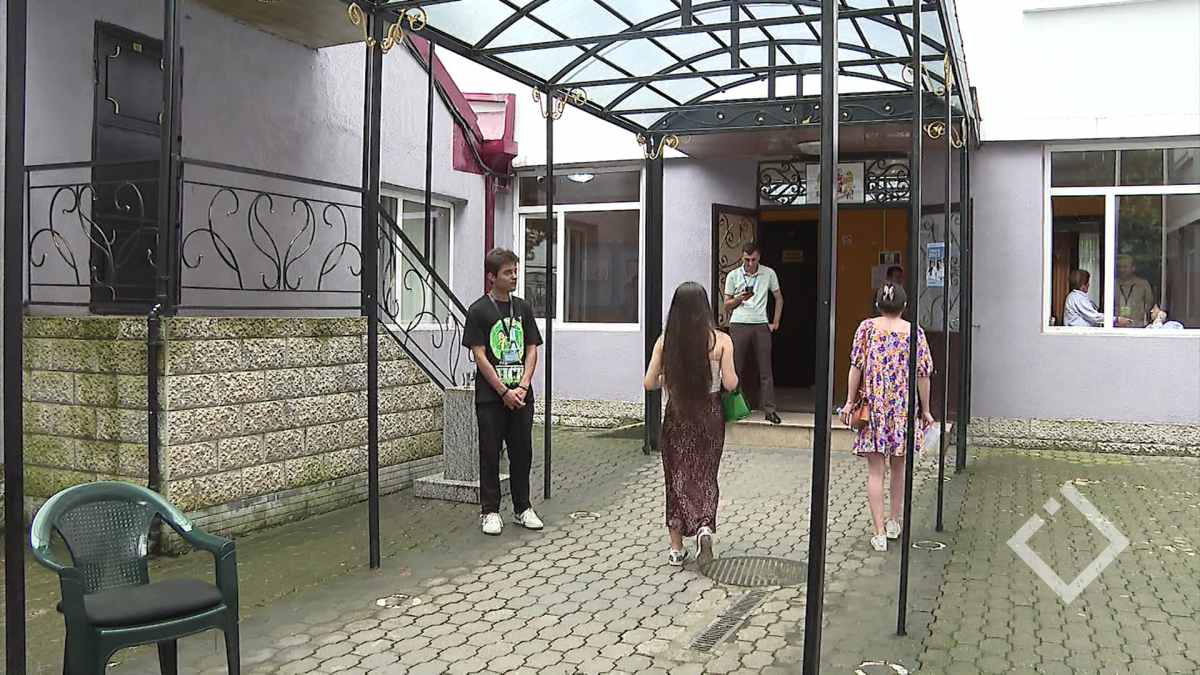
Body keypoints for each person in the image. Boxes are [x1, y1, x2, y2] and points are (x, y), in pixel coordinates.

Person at [644, 282, 739, 568]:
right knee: (706, 475)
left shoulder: (665, 342)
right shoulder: (721, 341)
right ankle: (704, 526)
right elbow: (731, 383)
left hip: (678, 413)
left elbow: (649, 382)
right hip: (710, 416)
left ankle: (676, 549)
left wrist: (672, 379)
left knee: (676, 478)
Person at [838, 283, 934, 552]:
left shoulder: (866, 328)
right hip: (903, 409)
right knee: (899, 467)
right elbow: (923, 375)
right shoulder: (915, 332)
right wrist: (925, 410)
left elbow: (856, 366)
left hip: (875, 409)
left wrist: (849, 402)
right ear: (904, 306)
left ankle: (878, 532)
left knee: (875, 471)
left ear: (878, 305)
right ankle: (893, 521)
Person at [462, 249, 544, 536]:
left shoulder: (523, 308)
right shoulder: (478, 311)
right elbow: (479, 355)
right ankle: (490, 511)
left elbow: (532, 347)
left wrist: (522, 386)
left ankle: (523, 508)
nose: (514, 277)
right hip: (491, 399)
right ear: (492, 276)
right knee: (490, 453)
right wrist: (502, 391)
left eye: (515, 271)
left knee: (522, 453)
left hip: (521, 396)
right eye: (508, 272)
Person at [723, 242, 784, 425]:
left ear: (759, 258)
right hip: (739, 323)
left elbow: (779, 298)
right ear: (741, 257)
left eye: (753, 260)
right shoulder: (734, 275)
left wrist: (775, 322)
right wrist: (739, 298)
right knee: (735, 367)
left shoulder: (768, 273)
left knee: (765, 370)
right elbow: (726, 305)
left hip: (760, 323)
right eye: (747, 260)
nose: (750, 263)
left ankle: (769, 410)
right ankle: (733, 409)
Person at [1116, 254, 1155, 327]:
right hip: (1116, 327)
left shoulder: (1143, 285)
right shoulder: (1112, 285)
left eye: (1125, 267)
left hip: (1137, 327)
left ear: (1133, 268)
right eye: (1120, 267)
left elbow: (1149, 305)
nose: (1122, 270)